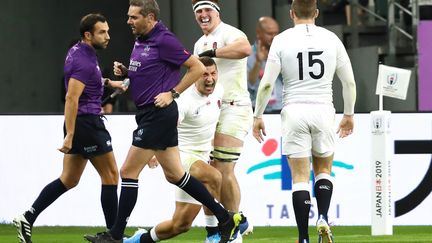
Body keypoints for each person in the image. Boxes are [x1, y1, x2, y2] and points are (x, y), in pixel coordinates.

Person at [84, 1, 242, 243]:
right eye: (129, 16)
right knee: (177, 175)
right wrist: (128, 72)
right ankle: (225, 218)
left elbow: (197, 67)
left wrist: (174, 93)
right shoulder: (141, 38)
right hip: (149, 114)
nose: (128, 21)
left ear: (150, 17)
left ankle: (115, 236)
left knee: (128, 172)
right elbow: (151, 70)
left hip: (158, 115)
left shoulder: (164, 39)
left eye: (134, 17)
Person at [13, 13, 127, 243]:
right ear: (88, 35)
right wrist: (70, 135)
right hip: (87, 124)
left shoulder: (80, 51)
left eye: (107, 31)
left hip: (82, 123)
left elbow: (90, 80)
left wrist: (110, 83)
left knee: (69, 179)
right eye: (102, 32)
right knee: (111, 175)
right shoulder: (83, 60)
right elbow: (71, 98)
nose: (108, 36)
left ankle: (27, 217)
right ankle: (114, 237)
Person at [252, 1, 356, 243]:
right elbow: (348, 83)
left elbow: (267, 83)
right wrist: (349, 114)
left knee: (300, 178)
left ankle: (303, 237)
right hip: (323, 109)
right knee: (324, 170)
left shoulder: (282, 40)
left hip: (294, 110)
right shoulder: (331, 39)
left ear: (291, 14)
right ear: (317, 13)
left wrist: (257, 115)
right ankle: (322, 216)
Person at [123, 56, 225, 243]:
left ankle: (139, 240)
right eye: (204, 74)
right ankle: (215, 233)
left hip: (201, 157)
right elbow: (166, 125)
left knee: (181, 225)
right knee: (215, 177)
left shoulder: (219, 91)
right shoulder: (184, 101)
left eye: (213, 73)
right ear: (194, 76)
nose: (209, 79)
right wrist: (152, 152)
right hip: (181, 156)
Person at [192, 1, 254, 241]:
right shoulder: (199, 42)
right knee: (209, 173)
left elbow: (245, 48)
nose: (203, 15)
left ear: (217, 13)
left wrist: (212, 54)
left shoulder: (229, 32)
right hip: (211, 109)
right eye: (198, 12)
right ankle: (220, 229)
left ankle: (234, 229)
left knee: (224, 169)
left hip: (234, 107)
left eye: (207, 11)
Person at [247, 16, 283, 114]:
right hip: (257, 109)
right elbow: (250, 84)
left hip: (280, 108)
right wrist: (258, 62)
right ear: (259, 33)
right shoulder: (247, 54)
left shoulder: (283, 52)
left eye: (276, 33)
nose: (274, 37)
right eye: (270, 34)